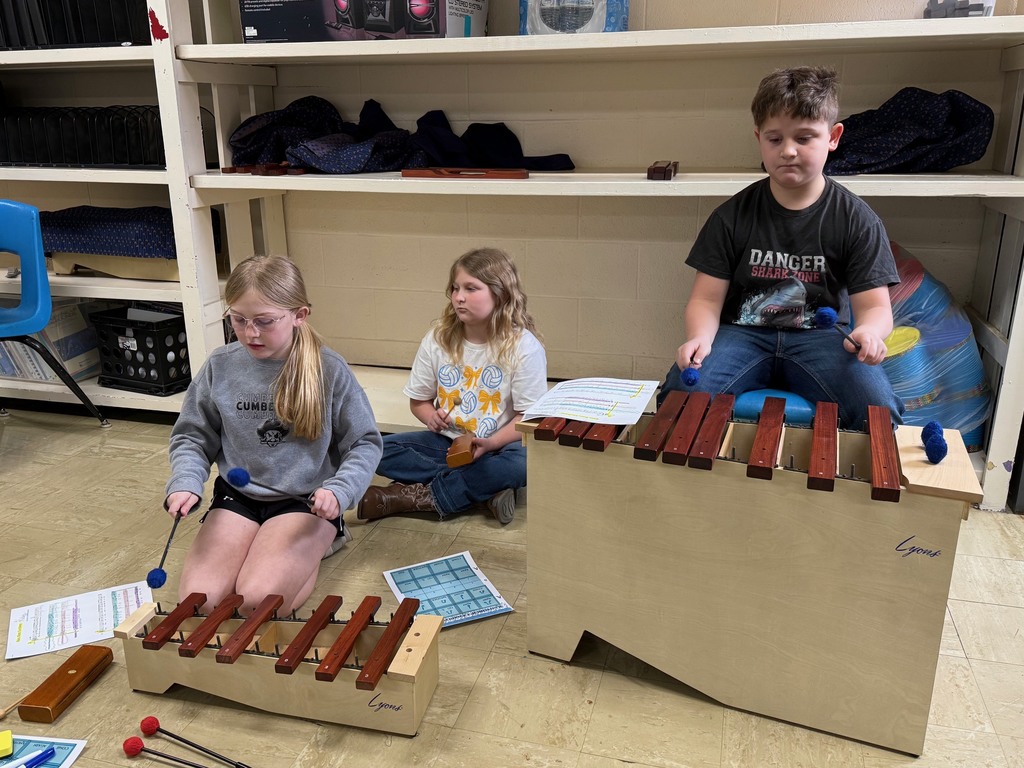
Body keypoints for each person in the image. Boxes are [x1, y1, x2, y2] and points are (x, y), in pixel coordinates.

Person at [658, 66, 903, 430]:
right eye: (775, 139)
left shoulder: (857, 220)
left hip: (821, 340)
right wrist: (699, 338)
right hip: (742, 335)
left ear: (833, 137)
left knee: (878, 411)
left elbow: (876, 307)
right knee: (679, 399)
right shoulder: (731, 216)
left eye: (804, 138)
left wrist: (869, 332)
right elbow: (706, 300)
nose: (788, 151)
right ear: (759, 138)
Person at [164, 255, 382, 615]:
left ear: (299, 315)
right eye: (238, 319)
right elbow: (192, 436)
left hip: (305, 501)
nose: (251, 333)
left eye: (265, 321)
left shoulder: (329, 369)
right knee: (200, 603)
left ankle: (323, 537)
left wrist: (340, 491)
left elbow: (364, 443)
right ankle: (279, 550)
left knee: (256, 602)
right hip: (239, 496)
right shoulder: (220, 365)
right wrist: (186, 481)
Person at [357, 247, 547, 525]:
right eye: (455, 288)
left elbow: (527, 419)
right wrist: (430, 417)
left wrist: (491, 442)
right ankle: (483, 492)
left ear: (500, 293)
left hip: (502, 445)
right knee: (374, 450)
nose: (459, 297)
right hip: (448, 444)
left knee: (525, 465)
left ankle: (414, 498)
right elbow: (419, 402)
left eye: (471, 288)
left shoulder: (524, 347)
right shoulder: (438, 338)